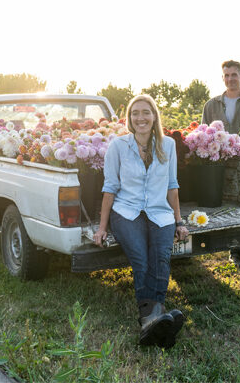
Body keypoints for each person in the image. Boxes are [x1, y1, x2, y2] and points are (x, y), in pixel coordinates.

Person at [94, 94, 189, 348]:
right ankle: (157, 319)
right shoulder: (118, 146)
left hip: (160, 212)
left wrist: (179, 221)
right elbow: (110, 188)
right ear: (129, 118)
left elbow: (171, 186)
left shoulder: (167, 145)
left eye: (146, 112)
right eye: (135, 113)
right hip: (126, 212)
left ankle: (151, 322)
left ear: (154, 116)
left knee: (161, 258)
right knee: (141, 259)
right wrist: (102, 228)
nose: (140, 117)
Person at [202, 60, 240, 269]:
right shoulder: (211, 105)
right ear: (222, 78)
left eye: (234, 75)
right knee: (229, 207)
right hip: (220, 167)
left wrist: (235, 148)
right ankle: (235, 252)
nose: (230, 79)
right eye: (227, 75)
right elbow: (203, 135)